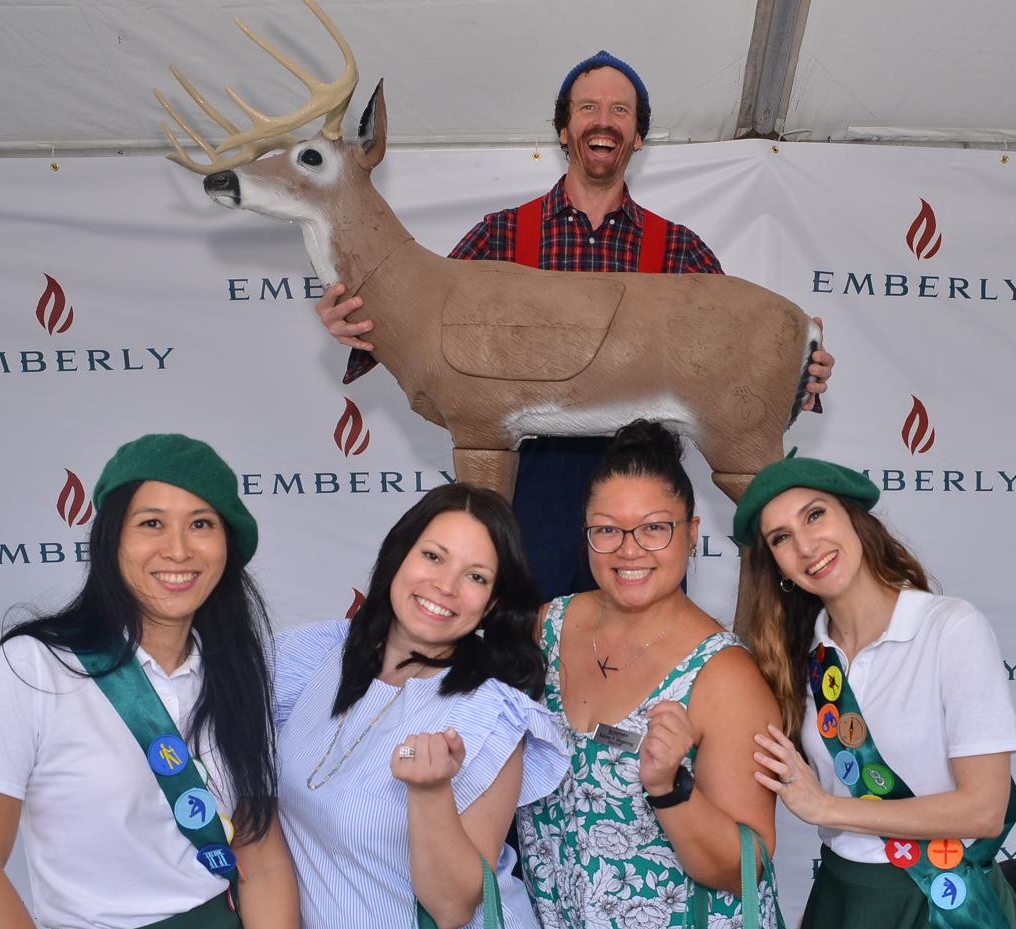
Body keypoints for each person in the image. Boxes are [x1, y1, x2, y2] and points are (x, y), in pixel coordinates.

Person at [317, 49, 834, 596]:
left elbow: (738, 371)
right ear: (564, 130)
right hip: (532, 488)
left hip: (646, 499)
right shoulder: (499, 238)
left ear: (637, 136)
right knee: (525, 650)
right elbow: (430, 337)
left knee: (645, 660)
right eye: (588, 107)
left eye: (621, 111)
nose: (604, 120)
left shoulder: (681, 250)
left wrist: (806, 372)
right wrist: (358, 325)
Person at [0, 433, 306, 929]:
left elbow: (260, 862)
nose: (179, 549)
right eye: (152, 522)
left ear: (228, 545)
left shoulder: (236, 670)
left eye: (202, 524)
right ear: (111, 537)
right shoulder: (34, 667)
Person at [733, 456, 1016, 929]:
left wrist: (828, 808)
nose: (806, 545)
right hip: (845, 910)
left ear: (854, 519)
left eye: (815, 515)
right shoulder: (801, 664)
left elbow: (983, 808)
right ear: (777, 567)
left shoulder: (949, 627)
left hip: (940, 914)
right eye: (781, 539)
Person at [517, 420, 783, 929]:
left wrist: (670, 787)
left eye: (653, 528)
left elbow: (744, 867)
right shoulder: (545, 629)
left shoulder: (724, 675)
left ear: (691, 535)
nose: (628, 550)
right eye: (607, 530)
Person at [274, 483, 568, 929]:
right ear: (398, 555)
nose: (446, 587)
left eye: (476, 577)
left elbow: (453, 905)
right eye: (433, 556)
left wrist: (430, 792)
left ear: (493, 603)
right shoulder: (312, 657)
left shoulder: (490, 709)